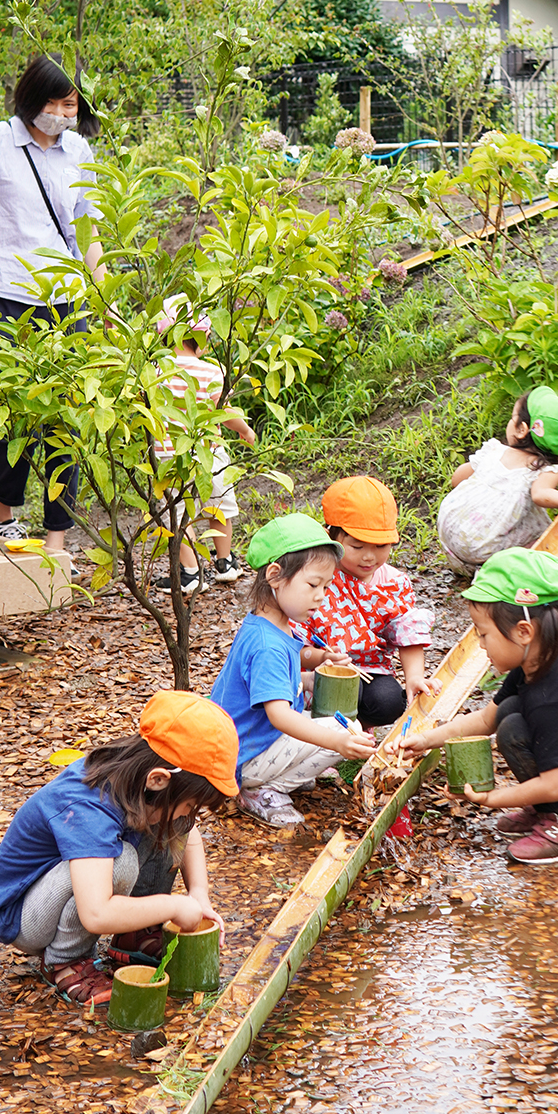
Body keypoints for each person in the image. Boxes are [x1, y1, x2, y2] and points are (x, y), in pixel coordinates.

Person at [0, 691, 237, 1007]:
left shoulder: (138, 782)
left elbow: (188, 831)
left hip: (65, 891)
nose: (189, 816)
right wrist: (174, 907)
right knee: (123, 863)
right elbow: (96, 913)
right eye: (190, 804)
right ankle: (65, 961)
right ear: (158, 779)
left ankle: (135, 933)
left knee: (170, 822)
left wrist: (198, 893)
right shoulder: (91, 807)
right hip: (26, 915)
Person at [401, 550, 558, 866]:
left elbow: (555, 784)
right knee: (509, 711)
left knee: (514, 728)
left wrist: (491, 799)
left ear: (524, 632)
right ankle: (548, 811)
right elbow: (486, 720)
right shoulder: (533, 665)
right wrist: (425, 740)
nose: (481, 644)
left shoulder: (555, 696)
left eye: (484, 634)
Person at [0, 55, 104, 565]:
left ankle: (57, 539)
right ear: (30, 99)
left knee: (67, 419)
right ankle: (5, 518)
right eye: (55, 103)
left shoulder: (78, 150)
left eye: (71, 106)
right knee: (15, 415)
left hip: (65, 302)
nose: (63, 115)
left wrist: (104, 297)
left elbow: (87, 231)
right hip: (1, 297)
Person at [209, 513, 374, 829]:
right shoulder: (268, 645)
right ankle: (261, 790)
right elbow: (279, 716)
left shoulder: (268, 625)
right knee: (344, 731)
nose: (321, 596)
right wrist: (336, 743)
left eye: (326, 586)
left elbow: (271, 683)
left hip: (243, 745)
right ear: (274, 576)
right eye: (313, 584)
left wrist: (311, 678)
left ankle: (281, 772)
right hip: (243, 758)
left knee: (337, 726)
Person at [301, 476, 437, 730]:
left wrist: (415, 677)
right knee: (335, 690)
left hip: (370, 668)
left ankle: (359, 727)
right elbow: (295, 638)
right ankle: (326, 736)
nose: (369, 557)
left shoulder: (393, 583)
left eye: (380, 546)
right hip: (323, 669)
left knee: (388, 701)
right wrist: (323, 657)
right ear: (331, 537)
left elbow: (406, 632)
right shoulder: (318, 579)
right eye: (357, 546)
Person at [152, 295, 257, 597]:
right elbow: (224, 413)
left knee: (177, 513)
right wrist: (245, 430)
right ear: (202, 337)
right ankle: (225, 563)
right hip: (209, 453)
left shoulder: (155, 371)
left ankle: (189, 572)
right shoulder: (211, 371)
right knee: (219, 507)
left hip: (169, 455)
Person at [436, 386, 558, 573]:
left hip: (448, 533)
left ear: (521, 430)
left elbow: (457, 479)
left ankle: (472, 561)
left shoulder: (494, 451)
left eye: (512, 418)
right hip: (480, 549)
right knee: (542, 534)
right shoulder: (545, 470)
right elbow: (541, 494)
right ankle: (497, 571)